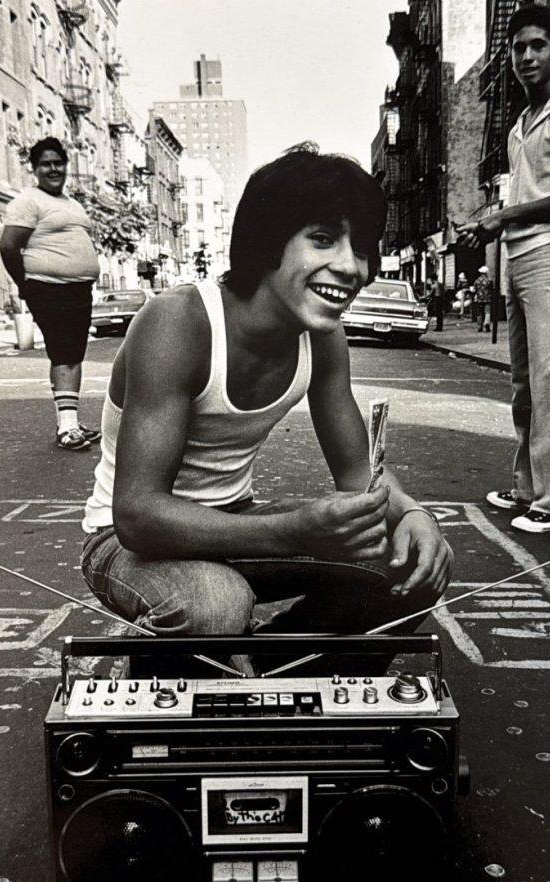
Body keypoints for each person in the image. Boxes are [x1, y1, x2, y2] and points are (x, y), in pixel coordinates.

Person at [80, 144, 453, 676]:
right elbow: (138, 517)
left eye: (363, 247)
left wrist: (416, 515)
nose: (351, 267)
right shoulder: (179, 323)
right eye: (323, 239)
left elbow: (358, 473)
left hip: (234, 523)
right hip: (124, 543)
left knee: (408, 565)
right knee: (215, 605)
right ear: (267, 240)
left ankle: (278, 686)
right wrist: (297, 530)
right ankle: (165, 713)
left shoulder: (323, 337)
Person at [456, 4, 550, 534]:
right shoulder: (519, 125)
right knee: (525, 384)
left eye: (538, 46)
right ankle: (531, 488)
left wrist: (506, 216)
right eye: (518, 47)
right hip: (519, 259)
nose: (527, 56)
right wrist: (495, 226)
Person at [0, 137, 100, 451]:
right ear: (35, 168)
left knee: (74, 354)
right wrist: (25, 284)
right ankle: (67, 428)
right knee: (64, 353)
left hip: (78, 288)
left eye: (59, 163)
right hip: (49, 288)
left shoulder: (72, 203)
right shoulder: (28, 201)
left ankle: (69, 420)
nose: (53, 169)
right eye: (46, 164)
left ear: (66, 166)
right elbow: (7, 245)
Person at [472, 265, 493, 333]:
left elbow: (474, 289)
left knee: (479, 313)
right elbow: (492, 289)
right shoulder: (489, 280)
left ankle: (479, 326)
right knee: (487, 312)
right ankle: (487, 323)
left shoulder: (477, 280)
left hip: (479, 299)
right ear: (486, 273)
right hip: (487, 298)